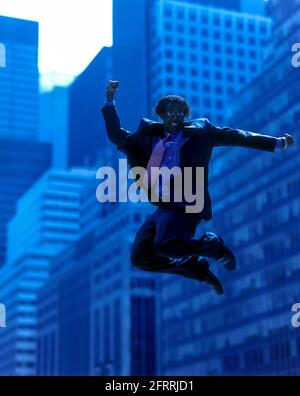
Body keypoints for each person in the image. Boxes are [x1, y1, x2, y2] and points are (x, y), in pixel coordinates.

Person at [101, 80, 295, 295]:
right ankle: (194, 267)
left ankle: (212, 245)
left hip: (189, 201)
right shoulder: (148, 137)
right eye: (170, 113)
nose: (174, 117)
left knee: (164, 245)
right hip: (164, 205)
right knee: (140, 257)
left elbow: (238, 136)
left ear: (184, 115)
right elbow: (116, 134)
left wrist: (277, 143)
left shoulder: (201, 132)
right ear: (162, 115)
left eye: (179, 113)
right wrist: (110, 100)